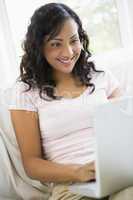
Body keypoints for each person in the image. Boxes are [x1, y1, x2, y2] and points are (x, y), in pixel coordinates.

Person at [8, 2, 132, 200]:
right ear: (39, 47)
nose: (68, 52)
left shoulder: (101, 77)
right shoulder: (25, 91)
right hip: (72, 186)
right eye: (56, 44)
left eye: (73, 40)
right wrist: (78, 172)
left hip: (117, 177)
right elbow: (31, 163)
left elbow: (126, 133)